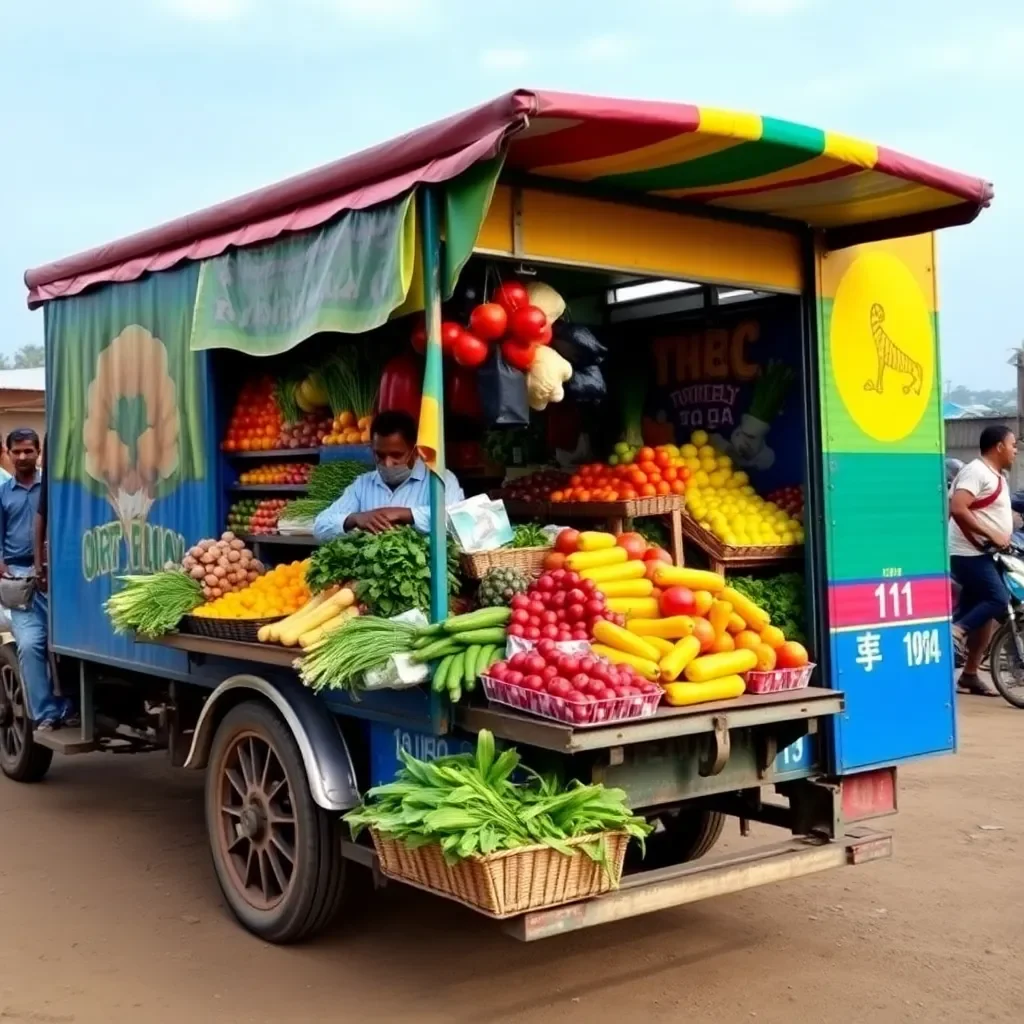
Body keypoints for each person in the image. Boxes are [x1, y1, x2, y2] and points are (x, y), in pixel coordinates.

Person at [0, 428, 72, 730]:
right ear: (8, 453)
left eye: (28, 450)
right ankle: (46, 714)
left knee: (68, 645)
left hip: (58, 577)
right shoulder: (3, 493)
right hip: (20, 579)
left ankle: (71, 706)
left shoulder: (54, 487)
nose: (22, 456)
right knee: (30, 646)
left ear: (39, 452)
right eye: (16, 451)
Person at [313, 411, 465, 540]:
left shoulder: (440, 479)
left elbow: (457, 521)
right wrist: (354, 518)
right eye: (380, 455)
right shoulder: (362, 485)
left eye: (396, 455)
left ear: (415, 451)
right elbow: (320, 526)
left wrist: (405, 514)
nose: (388, 463)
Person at [948, 424, 1018, 697]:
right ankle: (956, 630)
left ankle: (970, 675)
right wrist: (992, 533)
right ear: (999, 446)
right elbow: (958, 508)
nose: (1015, 450)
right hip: (968, 554)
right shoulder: (975, 471)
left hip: (986, 553)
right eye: (1012, 445)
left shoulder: (996, 476)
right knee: (998, 599)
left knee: (984, 617)